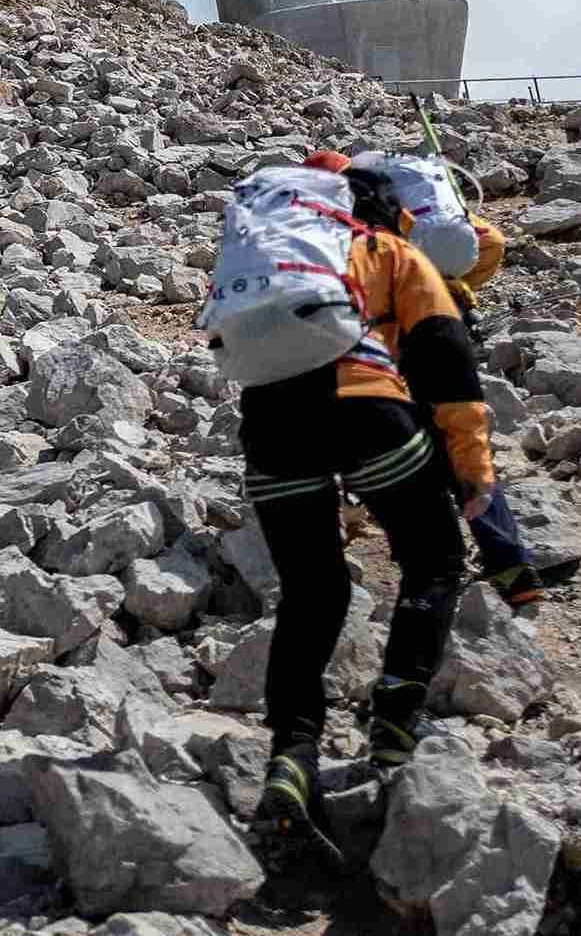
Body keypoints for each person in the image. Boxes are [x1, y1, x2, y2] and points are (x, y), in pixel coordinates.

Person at [248, 156, 484, 859]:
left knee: (310, 592)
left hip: (270, 430)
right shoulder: (392, 253)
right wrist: (470, 469)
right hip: (367, 415)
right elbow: (445, 360)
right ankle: (393, 725)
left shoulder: (275, 259)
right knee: (435, 560)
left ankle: (291, 755)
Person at [339, 152, 579, 606]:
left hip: (387, 347)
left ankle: (399, 556)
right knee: (464, 444)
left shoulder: (341, 224)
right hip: (447, 326)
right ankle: (511, 566)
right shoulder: (417, 210)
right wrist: (458, 283)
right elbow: (490, 241)